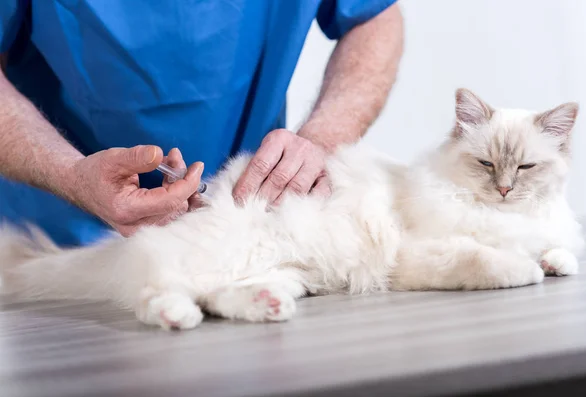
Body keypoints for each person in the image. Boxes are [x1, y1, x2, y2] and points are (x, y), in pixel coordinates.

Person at [0, 1, 404, 247]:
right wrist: (70, 176)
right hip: (60, 248)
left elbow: (375, 18)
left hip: (250, 236)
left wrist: (323, 139)